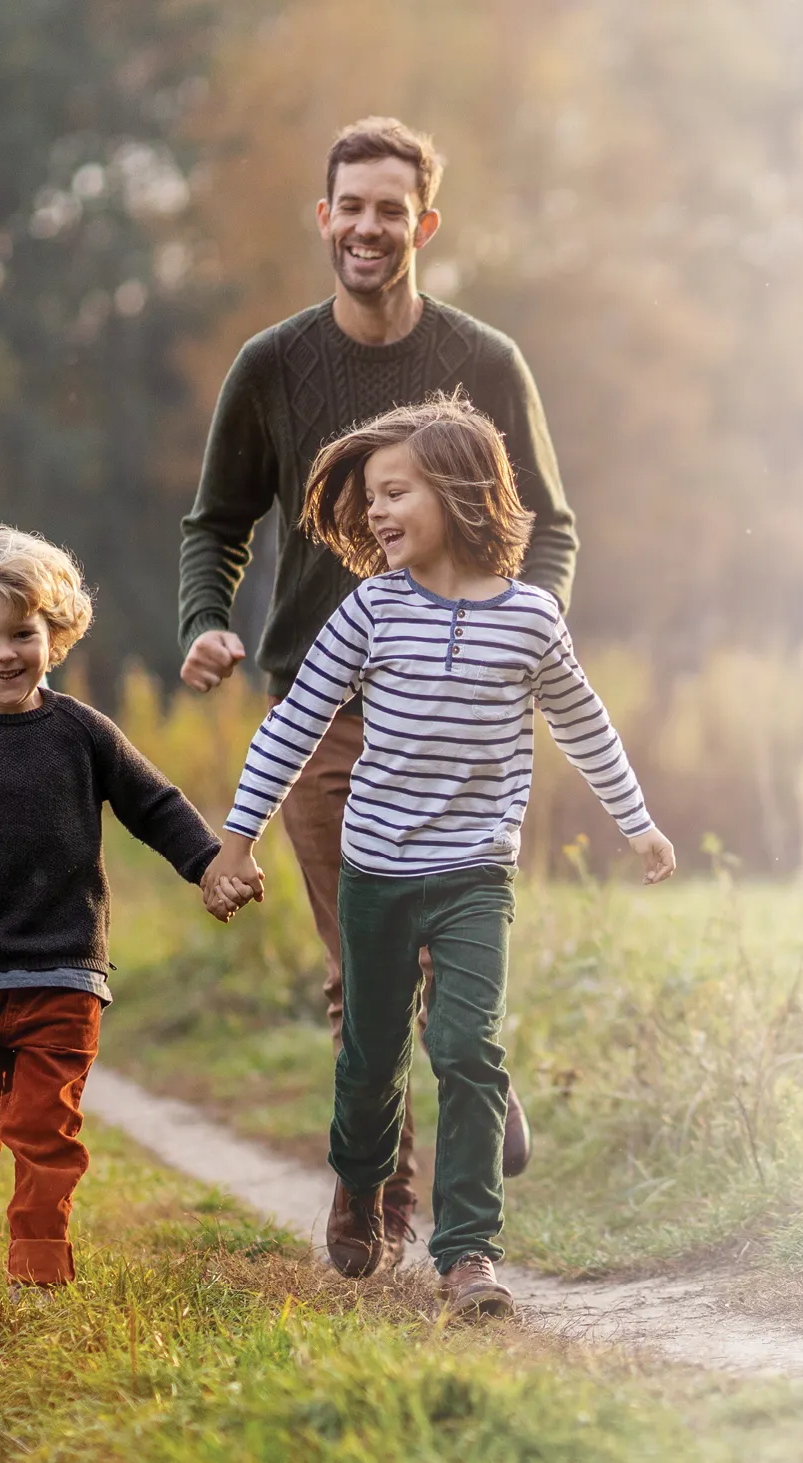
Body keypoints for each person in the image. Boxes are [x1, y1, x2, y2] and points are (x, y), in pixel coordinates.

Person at [177, 115, 576, 1245]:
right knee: (362, 963)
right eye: (349, 206)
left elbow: (548, 526)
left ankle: (471, 1065)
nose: (367, 227)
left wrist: (523, 636)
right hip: (322, 711)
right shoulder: (271, 364)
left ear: (423, 224)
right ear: (324, 217)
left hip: (457, 709)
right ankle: (377, 1198)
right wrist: (206, 622)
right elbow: (216, 522)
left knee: (450, 943)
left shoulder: (485, 361)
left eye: (389, 209)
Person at [202, 396, 672, 1318]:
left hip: (475, 875)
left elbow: (583, 723)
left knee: (467, 1047)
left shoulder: (531, 618)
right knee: (370, 1060)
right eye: (371, 496)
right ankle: (364, 1185)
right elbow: (295, 723)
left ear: (458, 491)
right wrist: (237, 836)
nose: (375, 511)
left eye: (394, 492)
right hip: (377, 871)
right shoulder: (371, 609)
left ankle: (469, 1255)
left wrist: (638, 822)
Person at [0, 528, 222, 1295]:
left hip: (64, 967)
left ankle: (37, 1267)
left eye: (22, 634)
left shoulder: (83, 732)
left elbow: (155, 804)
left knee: (44, 1125)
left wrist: (209, 864)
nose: (5, 654)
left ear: (53, 633)